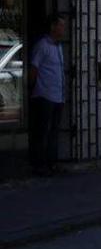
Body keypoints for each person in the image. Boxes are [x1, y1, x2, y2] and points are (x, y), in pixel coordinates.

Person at [28, 13, 66, 175]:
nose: (63, 29)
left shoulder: (58, 46)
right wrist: (32, 88)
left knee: (54, 131)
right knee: (42, 132)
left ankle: (52, 163)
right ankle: (39, 165)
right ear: (53, 26)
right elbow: (34, 68)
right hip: (44, 95)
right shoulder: (42, 45)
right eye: (61, 25)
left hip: (58, 95)